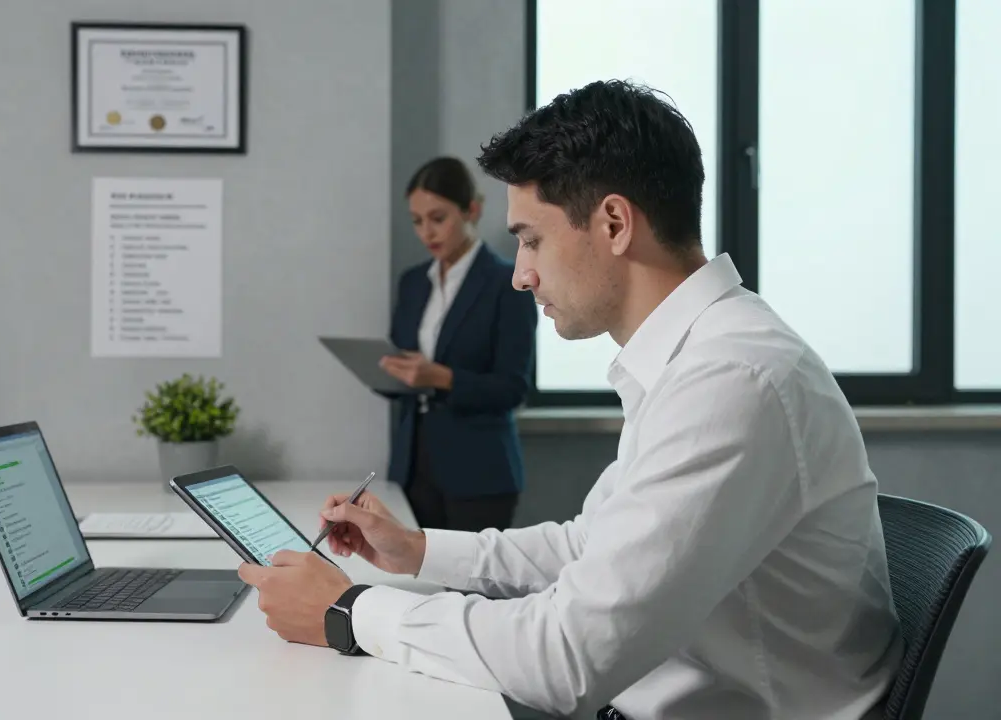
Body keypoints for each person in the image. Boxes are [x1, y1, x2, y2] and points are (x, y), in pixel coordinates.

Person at [238, 80, 903, 720]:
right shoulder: (699, 357)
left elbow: (565, 660)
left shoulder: (735, 378)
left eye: (531, 238)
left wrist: (349, 611)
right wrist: (415, 550)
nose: (522, 275)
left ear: (613, 221)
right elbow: (591, 546)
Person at [377, 157, 537, 532]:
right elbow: (406, 364)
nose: (426, 232)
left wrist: (441, 377)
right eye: (417, 221)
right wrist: (386, 372)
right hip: (413, 468)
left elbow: (513, 388)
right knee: (416, 587)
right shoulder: (413, 282)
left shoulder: (506, 284)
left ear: (472, 210)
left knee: (475, 588)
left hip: (479, 473)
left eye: (438, 218)